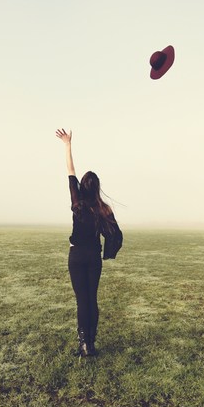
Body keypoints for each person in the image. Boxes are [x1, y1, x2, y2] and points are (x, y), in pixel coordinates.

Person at [55, 129, 122, 357]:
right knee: (92, 299)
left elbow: (70, 171)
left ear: (83, 186)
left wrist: (67, 145)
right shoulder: (104, 209)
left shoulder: (78, 203)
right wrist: (109, 252)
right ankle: (91, 343)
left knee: (81, 300)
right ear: (97, 187)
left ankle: (84, 344)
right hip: (93, 257)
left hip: (76, 257)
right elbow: (115, 234)